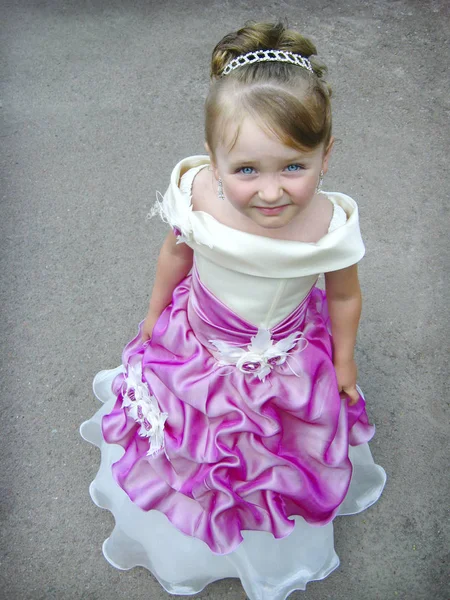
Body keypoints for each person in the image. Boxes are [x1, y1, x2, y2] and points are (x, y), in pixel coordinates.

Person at [80, 21, 386, 599]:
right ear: (214, 162)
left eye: (294, 166)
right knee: (192, 445)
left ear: (327, 155)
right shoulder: (198, 197)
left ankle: (264, 527)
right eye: (247, 170)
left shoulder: (329, 225)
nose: (272, 192)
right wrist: (153, 310)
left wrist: (343, 362)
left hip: (283, 360)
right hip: (197, 345)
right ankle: (192, 524)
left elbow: (343, 293)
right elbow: (176, 250)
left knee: (269, 454)